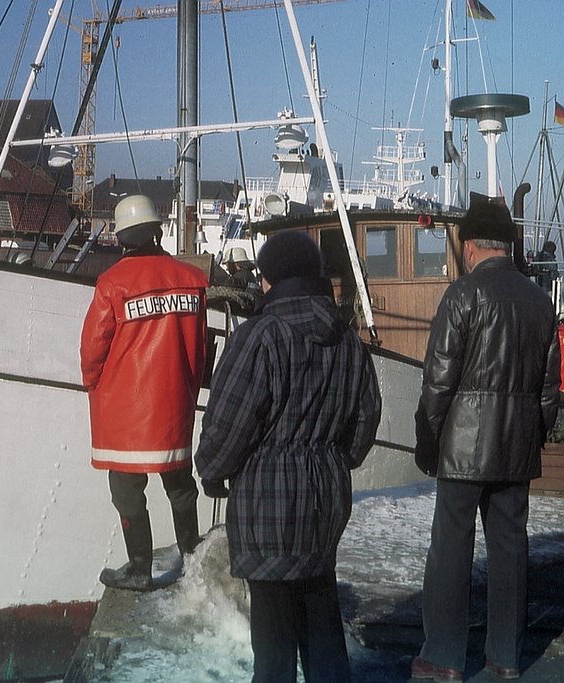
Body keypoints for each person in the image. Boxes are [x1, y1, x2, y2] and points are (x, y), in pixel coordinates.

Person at [194, 230, 381, 683]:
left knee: (274, 641)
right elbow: (366, 418)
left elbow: (228, 422)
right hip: (325, 498)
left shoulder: (259, 337)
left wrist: (213, 471)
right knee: (321, 620)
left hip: (267, 503)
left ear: (270, 280)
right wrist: (332, 462)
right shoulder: (348, 341)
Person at [412, 194, 560, 681]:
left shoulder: (462, 295)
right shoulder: (541, 303)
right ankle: (506, 658)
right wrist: (532, 438)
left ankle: (446, 657)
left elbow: (438, 381)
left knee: (451, 550)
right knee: (510, 553)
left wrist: (428, 439)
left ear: (470, 246)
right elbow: (547, 389)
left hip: (462, 449)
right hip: (515, 447)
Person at [80, 194, 208, 592]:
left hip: (126, 409)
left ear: (121, 238)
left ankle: (139, 567)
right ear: (157, 230)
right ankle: (192, 559)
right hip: (174, 403)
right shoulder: (192, 280)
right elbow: (200, 348)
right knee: (180, 485)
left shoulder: (112, 284)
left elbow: (92, 350)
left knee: (126, 487)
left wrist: (93, 382)